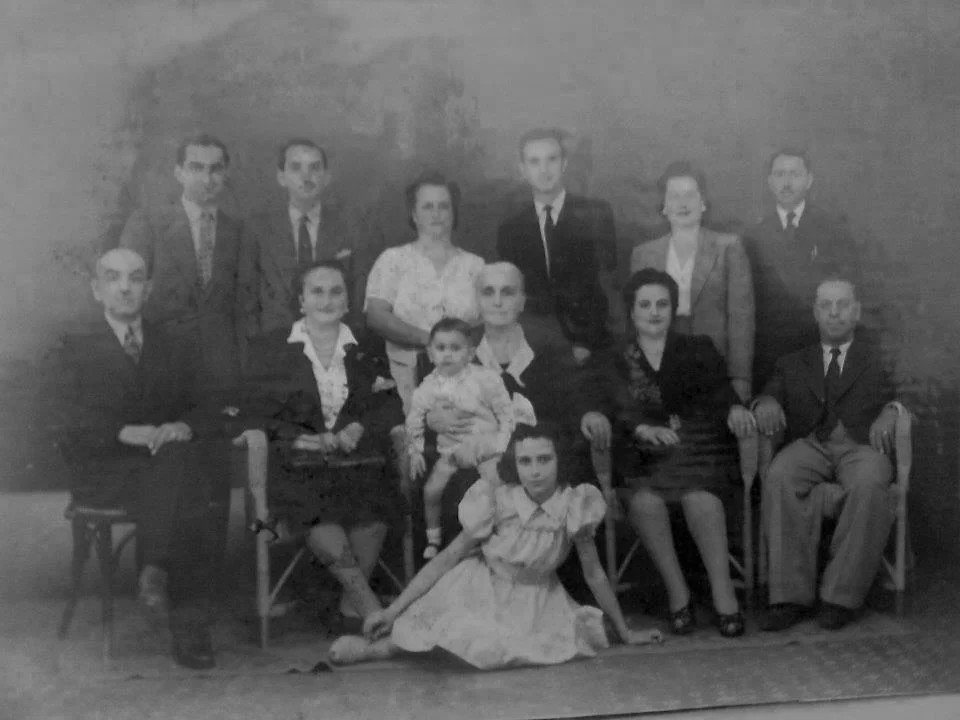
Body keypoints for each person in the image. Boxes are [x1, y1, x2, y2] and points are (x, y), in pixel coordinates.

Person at [327, 423, 663, 669]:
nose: (535, 471)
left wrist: (625, 631)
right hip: (480, 586)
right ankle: (377, 649)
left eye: (544, 460)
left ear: (561, 461)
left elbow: (595, 574)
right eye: (525, 462)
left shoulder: (574, 505)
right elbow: (447, 558)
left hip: (537, 599)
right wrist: (391, 610)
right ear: (514, 465)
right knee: (449, 633)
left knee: (508, 651)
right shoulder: (498, 501)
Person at [58, 248, 241, 669]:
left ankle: (158, 572)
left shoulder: (175, 344)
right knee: (189, 487)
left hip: (167, 468)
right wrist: (122, 432)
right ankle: (182, 613)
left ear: (149, 288)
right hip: (106, 471)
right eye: (113, 278)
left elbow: (209, 403)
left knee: (182, 460)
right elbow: (61, 421)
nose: (125, 287)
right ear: (96, 289)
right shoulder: (75, 347)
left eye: (136, 278)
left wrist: (184, 426)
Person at [244, 260, 405, 631]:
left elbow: (390, 404)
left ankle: (351, 608)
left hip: (356, 462)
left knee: (376, 507)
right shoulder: (273, 348)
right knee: (319, 511)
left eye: (336, 291)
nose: (326, 299)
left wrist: (357, 429)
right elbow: (255, 412)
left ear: (348, 300)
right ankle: (370, 611)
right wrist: (304, 438)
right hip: (298, 465)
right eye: (316, 291)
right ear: (300, 300)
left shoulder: (365, 345)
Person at [595, 268, 756, 637]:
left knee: (701, 501)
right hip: (643, 457)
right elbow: (614, 406)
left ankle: (724, 596)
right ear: (632, 312)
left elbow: (720, 391)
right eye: (646, 305)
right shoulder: (616, 357)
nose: (654, 312)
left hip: (695, 450)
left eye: (662, 304)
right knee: (646, 505)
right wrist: (641, 428)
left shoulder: (698, 347)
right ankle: (678, 595)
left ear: (674, 309)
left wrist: (733, 407)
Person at [754, 276, 900, 632]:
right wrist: (767, 401)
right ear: (815, 313)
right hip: (811, 444)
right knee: (780, 475)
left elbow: (908, 393)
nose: (834, 313)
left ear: (857, 312)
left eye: (843, 305)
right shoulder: (793, 362)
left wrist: (892, 410)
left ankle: (840, 597)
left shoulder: (878, 357)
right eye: (826, 306)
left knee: (870, 484)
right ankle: (790, 597)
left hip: (861, 445)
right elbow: (769, 392)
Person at [120, 133, 243, 394]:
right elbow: (126, 296)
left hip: (222, 368)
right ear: (179, 173)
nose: (207, 179)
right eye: (196, 168)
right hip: (161, 363)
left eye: (215, 169)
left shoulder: (238, 231)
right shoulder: (147, 223)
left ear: (225, 174)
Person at [631, 161, 754, 402]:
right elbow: (636, 319)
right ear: (664, 206)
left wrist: (740, 378)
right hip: (659, 364)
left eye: (690, 195)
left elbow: (741, 319)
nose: (682, 203)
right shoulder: (643, 254)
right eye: (674, 196)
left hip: (715, 366)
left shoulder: (729, 247)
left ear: (703, 202)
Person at [743, 148, 862, 391]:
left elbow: (847, 288)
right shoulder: (754, 235)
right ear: (770, 182)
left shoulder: (832, 229)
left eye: (794, 174)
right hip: (770, 351)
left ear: (809, 180)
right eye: (780, 174)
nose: (786, 183)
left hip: (819, 344)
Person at [364, 171, 485, 409]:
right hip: (403, 382)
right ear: (414, 214)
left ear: (453, 212)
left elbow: (485, 321)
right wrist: (430, 341)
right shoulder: (393, 260)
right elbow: (376, 316)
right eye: (428, 206)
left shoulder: (476, 266)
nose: (437, 213)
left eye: (444, 206)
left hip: (464, 381)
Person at [496, 128, 616, 362]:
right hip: (533, 349)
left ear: (564, 164)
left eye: (552, 159)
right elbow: (514, 297)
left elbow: (608, 285)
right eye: (534, 161)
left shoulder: (595, 215)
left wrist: (585, 344)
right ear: (522, 169)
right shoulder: (510, 230)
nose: (544, 170)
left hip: (594, 345)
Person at [406, 317, 515, 559]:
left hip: (485, 447)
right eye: (441, 348)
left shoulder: (484, 379)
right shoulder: (428, 386)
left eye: (455, 348)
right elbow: (414, 419)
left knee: (494, 485)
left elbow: (506, 413)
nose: (447, 355)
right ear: (430, 353)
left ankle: (503, 531)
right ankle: (433, 538)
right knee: (432, 490)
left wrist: (501, 444)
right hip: (451, 451)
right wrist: (415, 451)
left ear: (470, 352)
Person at [238, 138, 355, 339]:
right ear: (281, 177)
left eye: (315, 168)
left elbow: (357, 294)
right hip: (273, 342)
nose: (306, 176)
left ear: (326, 177)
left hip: (333, 343)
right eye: (296, 168)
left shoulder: (349, 226)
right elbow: (246, 296)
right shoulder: (257, 229)